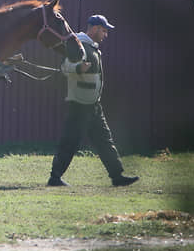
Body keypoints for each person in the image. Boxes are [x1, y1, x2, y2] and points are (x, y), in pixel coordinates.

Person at [47, 14, 139, 187]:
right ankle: (55, 177)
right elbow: (64, 67)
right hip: (79, 105)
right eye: (104, 31)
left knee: (105, 140)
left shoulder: (92, 47)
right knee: (70, 141)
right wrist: (78, 68)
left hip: (93, 104)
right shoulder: (79, 46)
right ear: (95, 29)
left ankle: (117, 176)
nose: (106, 35)